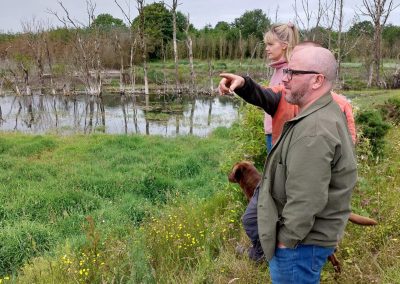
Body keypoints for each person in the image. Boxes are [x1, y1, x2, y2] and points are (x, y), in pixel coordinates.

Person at [219, 46, 357, 283]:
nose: (285, 78)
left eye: (293, 72)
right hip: (306, 242)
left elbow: (307, 198)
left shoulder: (314, 131)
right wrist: (244, 84)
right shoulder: (321, 112)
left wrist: (285, 242)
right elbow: (265, 94)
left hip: (298, 246)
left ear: (316, 80)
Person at [263, 23, 299, 154]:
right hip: (273, 131)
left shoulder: (287, 71)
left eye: (271, 44)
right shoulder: (278, 69)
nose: (267, 48)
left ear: (284, 45)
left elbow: (288, 104)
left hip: (280, 133)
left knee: (277, 173)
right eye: (266, 45)